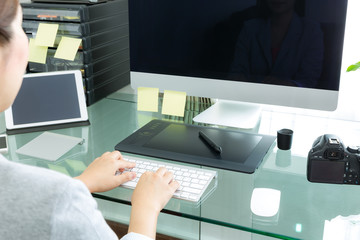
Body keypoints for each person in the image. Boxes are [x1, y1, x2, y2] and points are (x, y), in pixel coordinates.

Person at [0, 1, 179, 239]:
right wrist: (146, 208)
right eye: (23, 27)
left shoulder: (55, 197)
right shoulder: (62, 202)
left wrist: (81, 183)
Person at [229, 0, 324, 88]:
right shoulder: (249, 28)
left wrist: (285, 85)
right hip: (251, 99)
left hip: (293, 101)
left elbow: (309, 80)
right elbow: (237, 73)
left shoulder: (311, 31)